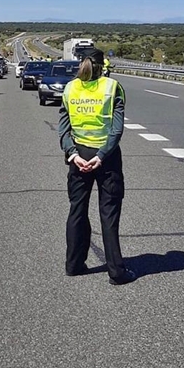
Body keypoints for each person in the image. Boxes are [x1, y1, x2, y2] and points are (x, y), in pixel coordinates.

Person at [57, 47, 136, 285]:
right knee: (109, 214)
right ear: (104, 66)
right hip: (106, 157)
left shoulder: (70, 87)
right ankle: (116, 271)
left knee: (77, 210)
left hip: (79, 154)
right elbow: (116, 129)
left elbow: (63, 127)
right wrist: (101, 155)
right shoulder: (112, 87)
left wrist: (72, 154)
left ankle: (73, 265)